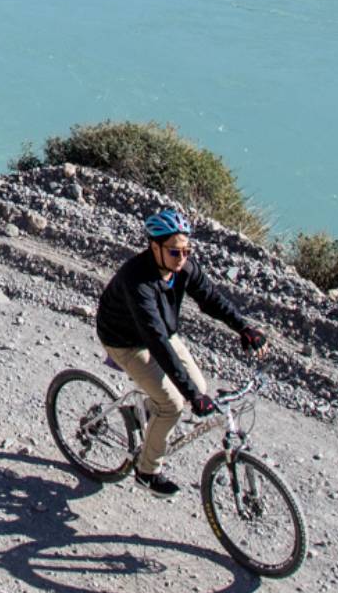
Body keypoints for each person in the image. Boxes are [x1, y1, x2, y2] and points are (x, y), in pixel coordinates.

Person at [94, 208, 268, 495]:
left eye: (187, 250)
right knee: (174, 404)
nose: (183, 257)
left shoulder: (183, 267)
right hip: (125, 340)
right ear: (154, 247)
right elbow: (157, 342)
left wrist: (244, 328)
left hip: (159, 333)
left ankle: (144, 415)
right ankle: (147, 472)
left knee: (198, 386)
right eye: (175, 252)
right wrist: (190, 397)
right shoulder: (137, 281)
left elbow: (211, 299)